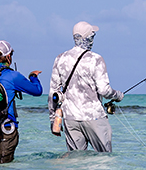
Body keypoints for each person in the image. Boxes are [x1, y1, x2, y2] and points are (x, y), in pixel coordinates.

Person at [48, 22, 123, 152]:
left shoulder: (60, 58)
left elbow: (53, 94)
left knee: (76, 162)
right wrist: (118, 95)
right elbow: (104, 90)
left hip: (70, 118)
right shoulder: (96, 59)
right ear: (88, 38)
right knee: (105, 159)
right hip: (93, 116)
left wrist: (53, 119)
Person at [0, 40, 43, 164]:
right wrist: (33, 77)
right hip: (6, 129)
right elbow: (37, 91)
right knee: (3, 169)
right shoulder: (12, 76)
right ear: (9, 57)